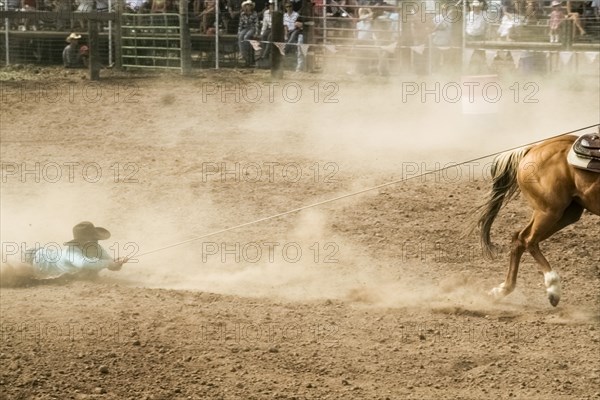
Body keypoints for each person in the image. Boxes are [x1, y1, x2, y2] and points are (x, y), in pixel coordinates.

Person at [1, 221, 128, 286]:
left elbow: (109, 262)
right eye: (93, 239)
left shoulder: (97, 248)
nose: (96, 241)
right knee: (12, 272)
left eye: (96, 239)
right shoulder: (72, 252)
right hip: (32, 258)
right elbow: (84, 264)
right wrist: (108, 263)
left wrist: (116, 264)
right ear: (83, 241)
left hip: (44, 255)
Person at [237, 0, 259, 67]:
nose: (248, 6)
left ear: (251, 7)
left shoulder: (254, 13)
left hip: (252, 28)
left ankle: (246, 53)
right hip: (245, 28)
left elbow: (256, 24)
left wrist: (256, 32)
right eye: (247, 5)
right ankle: (243, 54)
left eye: (249, 5)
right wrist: (239, 31)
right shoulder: (242, 14)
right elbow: (240, 24)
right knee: (240, 36)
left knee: (246, 37)